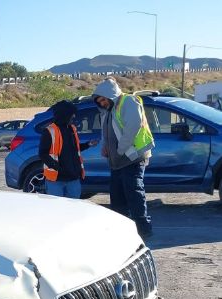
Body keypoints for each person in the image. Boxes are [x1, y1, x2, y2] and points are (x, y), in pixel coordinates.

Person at [92, 77, 155, 237]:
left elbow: (132, 127)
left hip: (132, 158)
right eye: (99, 101)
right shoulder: (108, 111)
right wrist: (104, 147)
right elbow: (105, 132)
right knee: (118, 198)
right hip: (117, 162)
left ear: (109, 95)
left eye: (103, 100)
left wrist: (120, 150)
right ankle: (122, 230)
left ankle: (143, 230)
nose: (102, 103)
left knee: (134, 194)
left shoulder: (128, 102)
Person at [38, 100, 97, 198]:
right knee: (57, 209)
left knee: (73, 210)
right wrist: (58, 168)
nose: (74, 116)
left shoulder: (72, 129)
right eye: (71, 114)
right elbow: (43, 154)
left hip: (73, 179)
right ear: (64, 115)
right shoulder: (49, 131)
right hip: (56, 180)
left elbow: (75, 149)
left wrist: (88, 144)